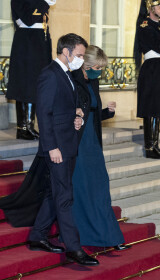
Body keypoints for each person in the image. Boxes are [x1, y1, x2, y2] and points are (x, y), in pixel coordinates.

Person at [28, 33, 99, 266]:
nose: (80, 59)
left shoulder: (67, 74)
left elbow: (64, 106)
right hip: (57, 147)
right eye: (78, 55)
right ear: (66, 52)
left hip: (68, 143)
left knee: (54, 192)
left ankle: (38, 236)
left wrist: (76, 116)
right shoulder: (50, 74)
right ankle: (74, 249)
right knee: (65, 197)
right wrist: (51, 148)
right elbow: (44, 114)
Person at [71, 45, 131, 251]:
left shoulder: (93, 82)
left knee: (100, 188)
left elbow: (92, 113)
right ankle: (88, 236)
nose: (100, 72)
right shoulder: (73, 80)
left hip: (93, 143)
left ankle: (110, 237)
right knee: (83, 190)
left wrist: (108, 112)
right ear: (87, 64)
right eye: (98, 67)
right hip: (78, 142)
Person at [6, 0, 56, 140]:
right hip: (28, 41)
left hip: (39, 40)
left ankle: (30, 126)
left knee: (37, 83)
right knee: (26, 84)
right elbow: (29, 19)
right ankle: (23, 128)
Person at [134, 0, 160, 159]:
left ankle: (155, 145)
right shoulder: (145, 25)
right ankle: (149, 147)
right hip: (152, 68)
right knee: (150, 107)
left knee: (157, 107)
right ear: (151, 8)